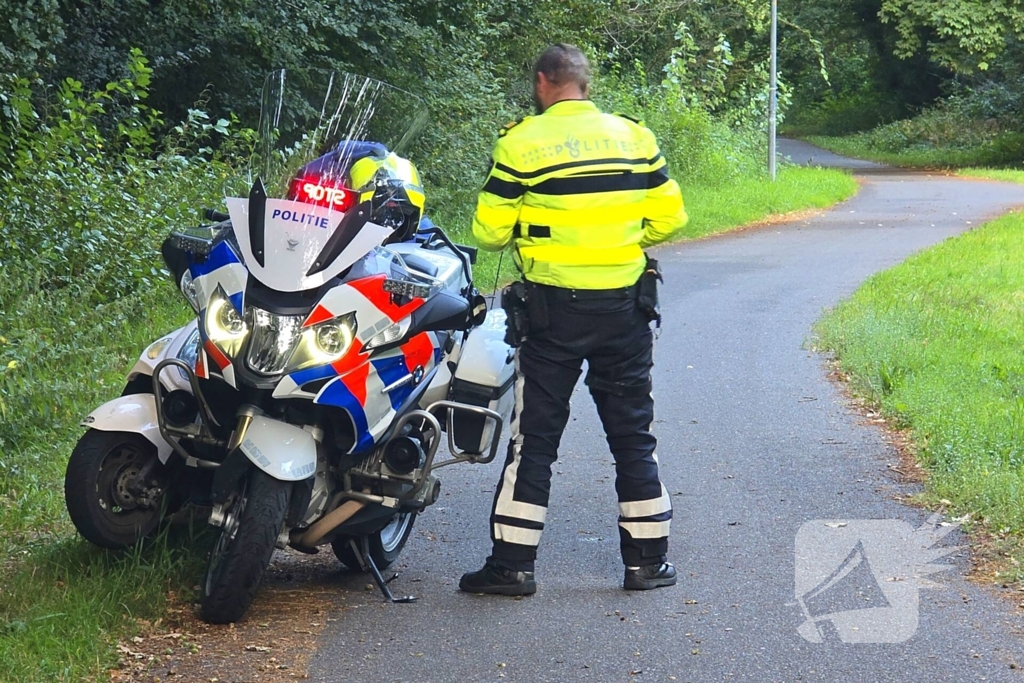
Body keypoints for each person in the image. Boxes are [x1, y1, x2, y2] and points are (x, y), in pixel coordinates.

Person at [460, 43, 689, 595]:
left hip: (552, 313)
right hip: (625, 311)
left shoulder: (521, 143)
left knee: (534, 439)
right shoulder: (635, 137)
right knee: (633, 434)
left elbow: (487, 234)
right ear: (585, 85)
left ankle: (512, 566)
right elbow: (671, 218)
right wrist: (624, 242)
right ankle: (647, 563)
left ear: (543, 82)